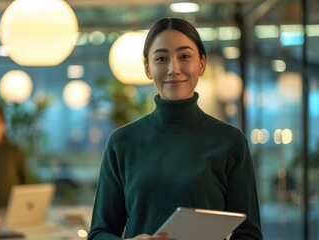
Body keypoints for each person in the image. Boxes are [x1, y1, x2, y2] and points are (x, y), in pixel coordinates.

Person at [88, 17, 262, 240]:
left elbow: (249, 235)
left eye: (185, 56)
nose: (174, 69)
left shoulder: (230, 141)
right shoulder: (122, 142)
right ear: (147, 68)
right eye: (161, 58)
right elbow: (99, 234)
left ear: (201, 64)